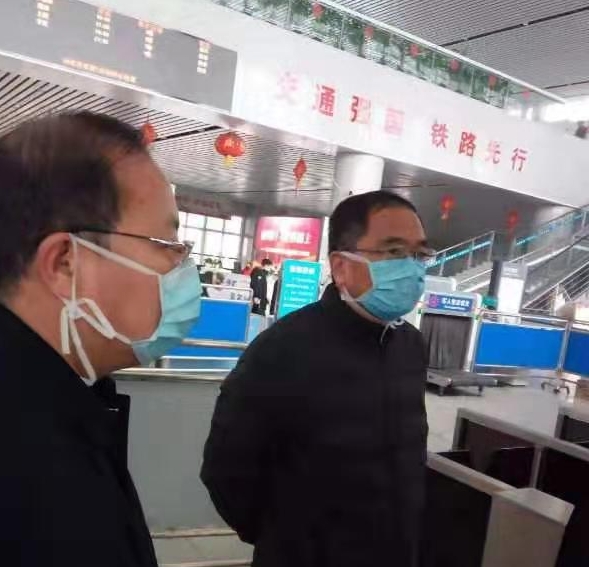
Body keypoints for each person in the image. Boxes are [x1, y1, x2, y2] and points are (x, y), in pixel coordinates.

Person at [0, 111, 202, 566]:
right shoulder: (25, 467)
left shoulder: (72, 402)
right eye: (166, 246)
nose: (182, 269)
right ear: (65, 263)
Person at [202, 191, 432, 567]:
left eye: (419, 254)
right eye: (393, 252)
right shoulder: (283, 349)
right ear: (341, 266)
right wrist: (286, 539)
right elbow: (227, 470)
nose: (411, 267)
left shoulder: (410, 346)